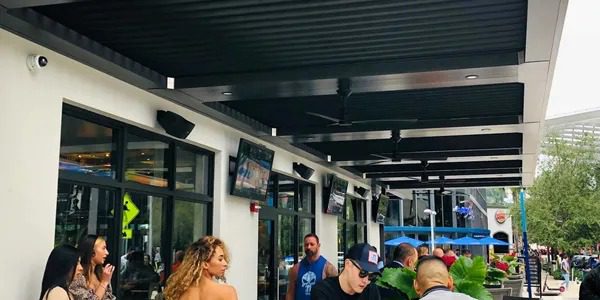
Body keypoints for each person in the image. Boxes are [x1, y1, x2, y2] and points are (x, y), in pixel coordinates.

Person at [163, 236, 237, 300]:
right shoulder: (227, 292)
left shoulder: (179, 292)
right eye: (220, 259)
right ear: (205, 264)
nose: (225, 264)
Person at [311, 243, 381, 300]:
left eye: (371, 276)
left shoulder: (371, 291)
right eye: (363, 273)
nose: (366, 281)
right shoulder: (324, 291)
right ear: (348, 264)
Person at [286, 233, 338, 300]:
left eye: (312, 244)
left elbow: (335, 294)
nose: (308, 247)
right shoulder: (295, 269)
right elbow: (290, 293)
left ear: (318, 246)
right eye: (306, 245)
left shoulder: (329, 268)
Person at [70, 235, 116, 300]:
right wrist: (104, 283)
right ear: (92, 250)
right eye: (103, 248)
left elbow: (109, 297)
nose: (107, 252)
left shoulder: (101, 274)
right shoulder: (77, 276)